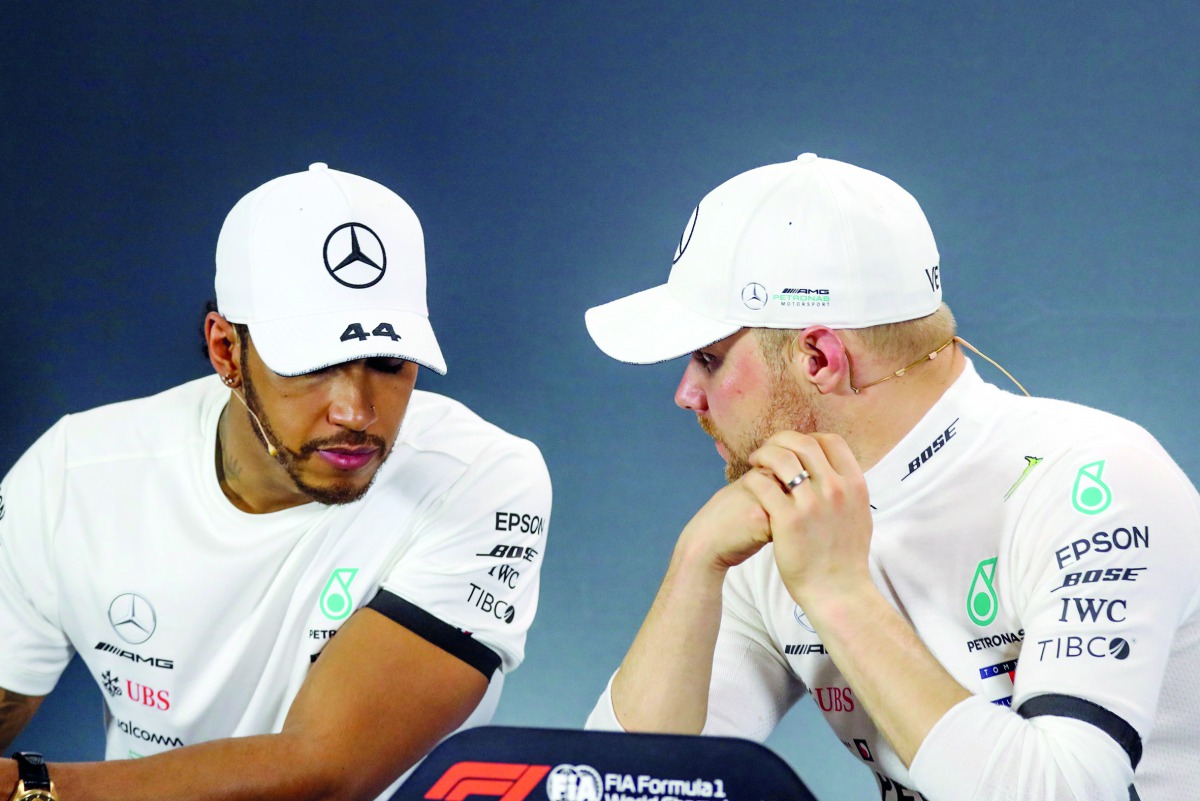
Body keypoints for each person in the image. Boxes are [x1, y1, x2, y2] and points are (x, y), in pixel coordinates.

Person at [582, 153, 1200, 800]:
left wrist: (838, 592)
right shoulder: (785, 514)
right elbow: (617, 788)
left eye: (709, 359)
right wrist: (694, 563)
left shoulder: (1098, 481)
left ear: (819, 357)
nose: (686, 394)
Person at [0, 163, 551, 801]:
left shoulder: (479, 478)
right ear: (226, 351)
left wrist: (30, 790)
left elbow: (327, 771)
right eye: (312, 364)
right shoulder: (76, 471)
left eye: (388, 362)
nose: (356, 412)